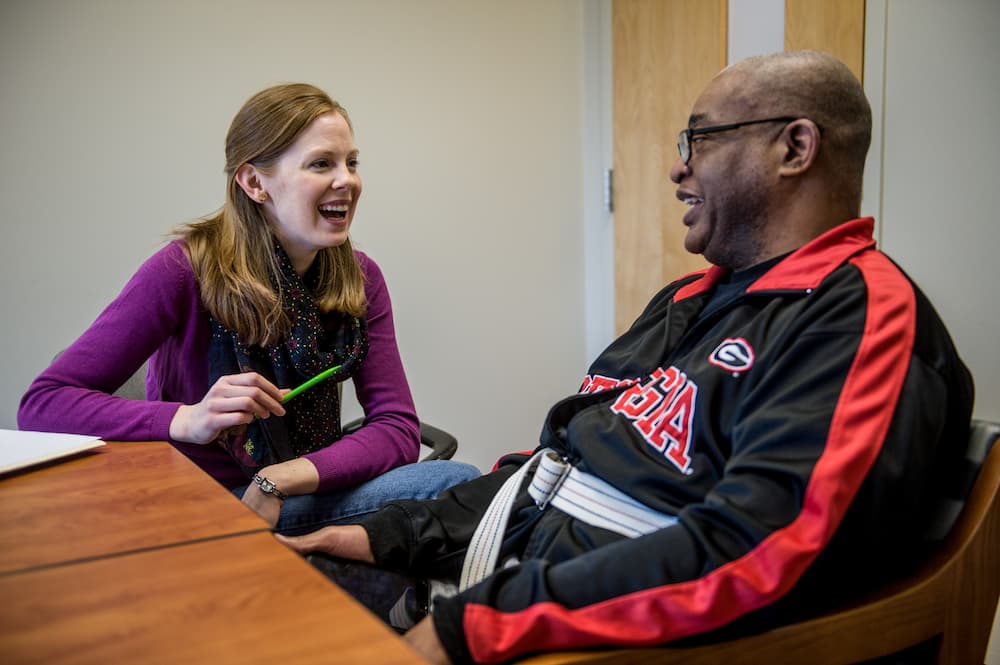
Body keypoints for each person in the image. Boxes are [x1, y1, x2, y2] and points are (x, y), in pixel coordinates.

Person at [277, 51, 974, 665]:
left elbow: (759, 546)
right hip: (505, 584)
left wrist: (481, 620)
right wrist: (388, 534)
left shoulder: (856, 315)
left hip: (590, 638)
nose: (677, 166)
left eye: (698, 138)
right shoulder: (685, 300)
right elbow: (557, 468)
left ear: (795, 147)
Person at [18, 83, 479, 534]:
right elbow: (43, 403)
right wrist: (187, 418)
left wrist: (277, 479)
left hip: (292, 487)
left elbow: (397, 427)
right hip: (202, 501)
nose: (348, 181)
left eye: (351, 162)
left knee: (460, 483)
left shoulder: (362, 278)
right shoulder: (182, 269)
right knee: (454, 486)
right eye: (322, 164)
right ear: (255, 182)